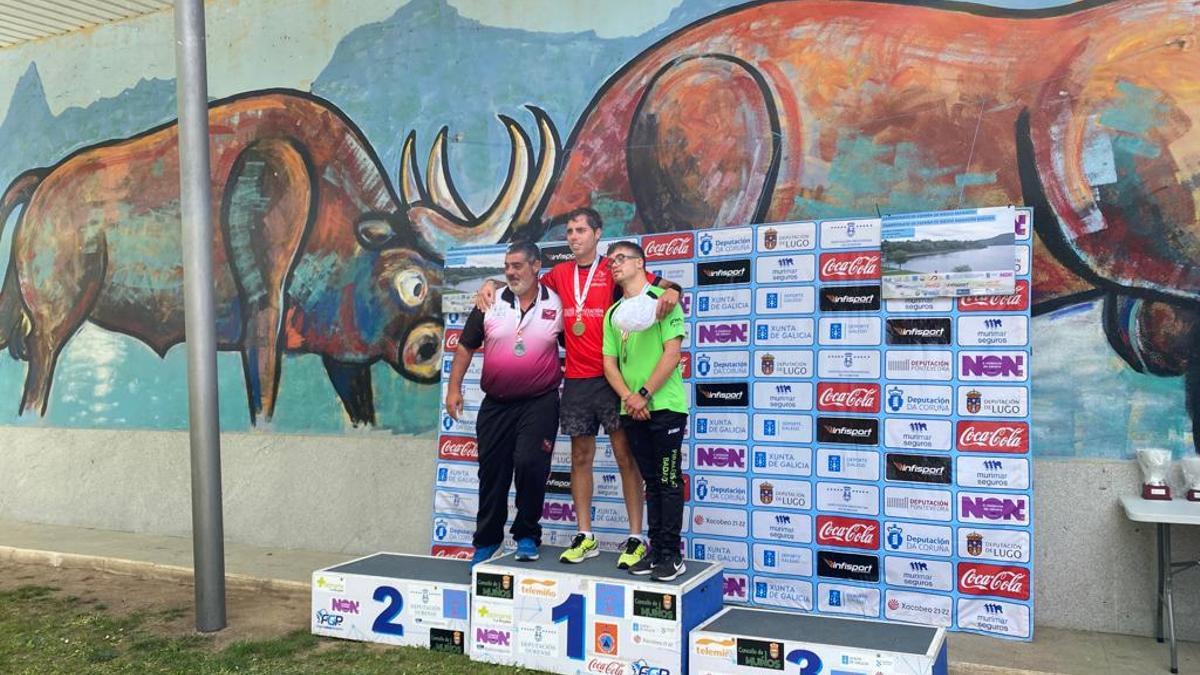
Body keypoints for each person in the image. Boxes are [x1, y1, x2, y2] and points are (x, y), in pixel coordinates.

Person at [476, 208, 680, 568]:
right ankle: (585, 535)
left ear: (597, 234)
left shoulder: (614, 268)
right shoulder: (557, 274)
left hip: (613, 379)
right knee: (580, 457)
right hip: (577, 379)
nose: (573, 236)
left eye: (581, 230)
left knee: (625, 457)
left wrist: (674, 290)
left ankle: (635, 537)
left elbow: (655, 285)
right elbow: (521, 282)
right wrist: (488, 284)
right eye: (569, 230)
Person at [446, 240, 563, 565]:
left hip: (540, 402)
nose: (510, 272)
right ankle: (487, 541)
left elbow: (577, 348)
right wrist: (453, 388)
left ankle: (526, 535)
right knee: (492, 472)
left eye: (517, 266)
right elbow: (466, 347)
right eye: (507, 267)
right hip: (496, 403)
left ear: (536, 265)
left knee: (529, 465)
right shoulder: (490, 300)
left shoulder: (556, 303)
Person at [601, 240, 689, 581]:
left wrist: (644, 393)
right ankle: (656, 551)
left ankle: (672, 554)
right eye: (611, 262)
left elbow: (671, 354)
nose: (615, 265)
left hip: (664, 408)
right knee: (650, 482)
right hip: (632, 410)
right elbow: (609, 363)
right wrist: (628, 397)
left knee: (667, 481)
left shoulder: (664, 301)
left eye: (621, 259)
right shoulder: (613, 312)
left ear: (641, 263)